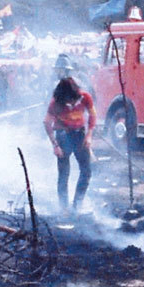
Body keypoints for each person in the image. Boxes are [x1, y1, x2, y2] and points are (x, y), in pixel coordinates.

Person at [43, 77, 96, 211]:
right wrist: (55, 145)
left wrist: (89, 135)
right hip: (62, 135)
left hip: (80, 135)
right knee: (64, 174)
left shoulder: (84, 97)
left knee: (86, 171)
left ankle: (77, 205)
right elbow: (47, 122)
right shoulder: (56, 103)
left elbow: (92, 115)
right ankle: (64, 209)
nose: (71, 102)